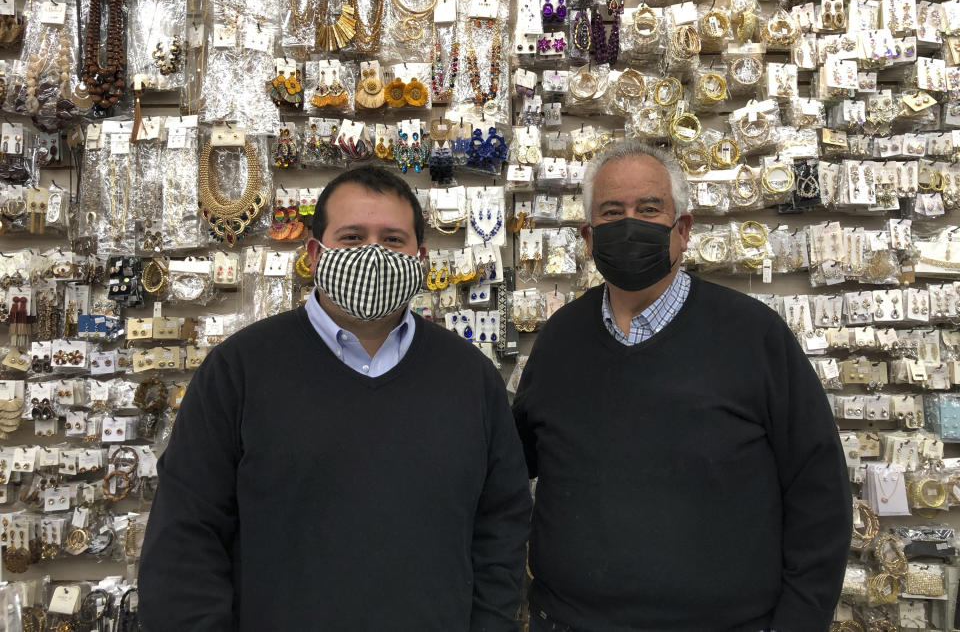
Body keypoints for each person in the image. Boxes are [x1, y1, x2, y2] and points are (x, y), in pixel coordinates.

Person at [140, 165, 531, 631]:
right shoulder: (238, 370)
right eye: (351, 237)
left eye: (392, 239)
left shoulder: (471, 377)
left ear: (420, 259)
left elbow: (500, 524)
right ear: (315, 252)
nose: (372, 253)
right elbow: (185, 536)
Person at [513, 141, 851, 632]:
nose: (631, 224)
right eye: (612, 212)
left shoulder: (754, 336)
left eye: (649, 209)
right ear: (588, 237)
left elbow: (820, 493)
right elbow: (513, 466)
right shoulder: (559, 339)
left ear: (683, 229)